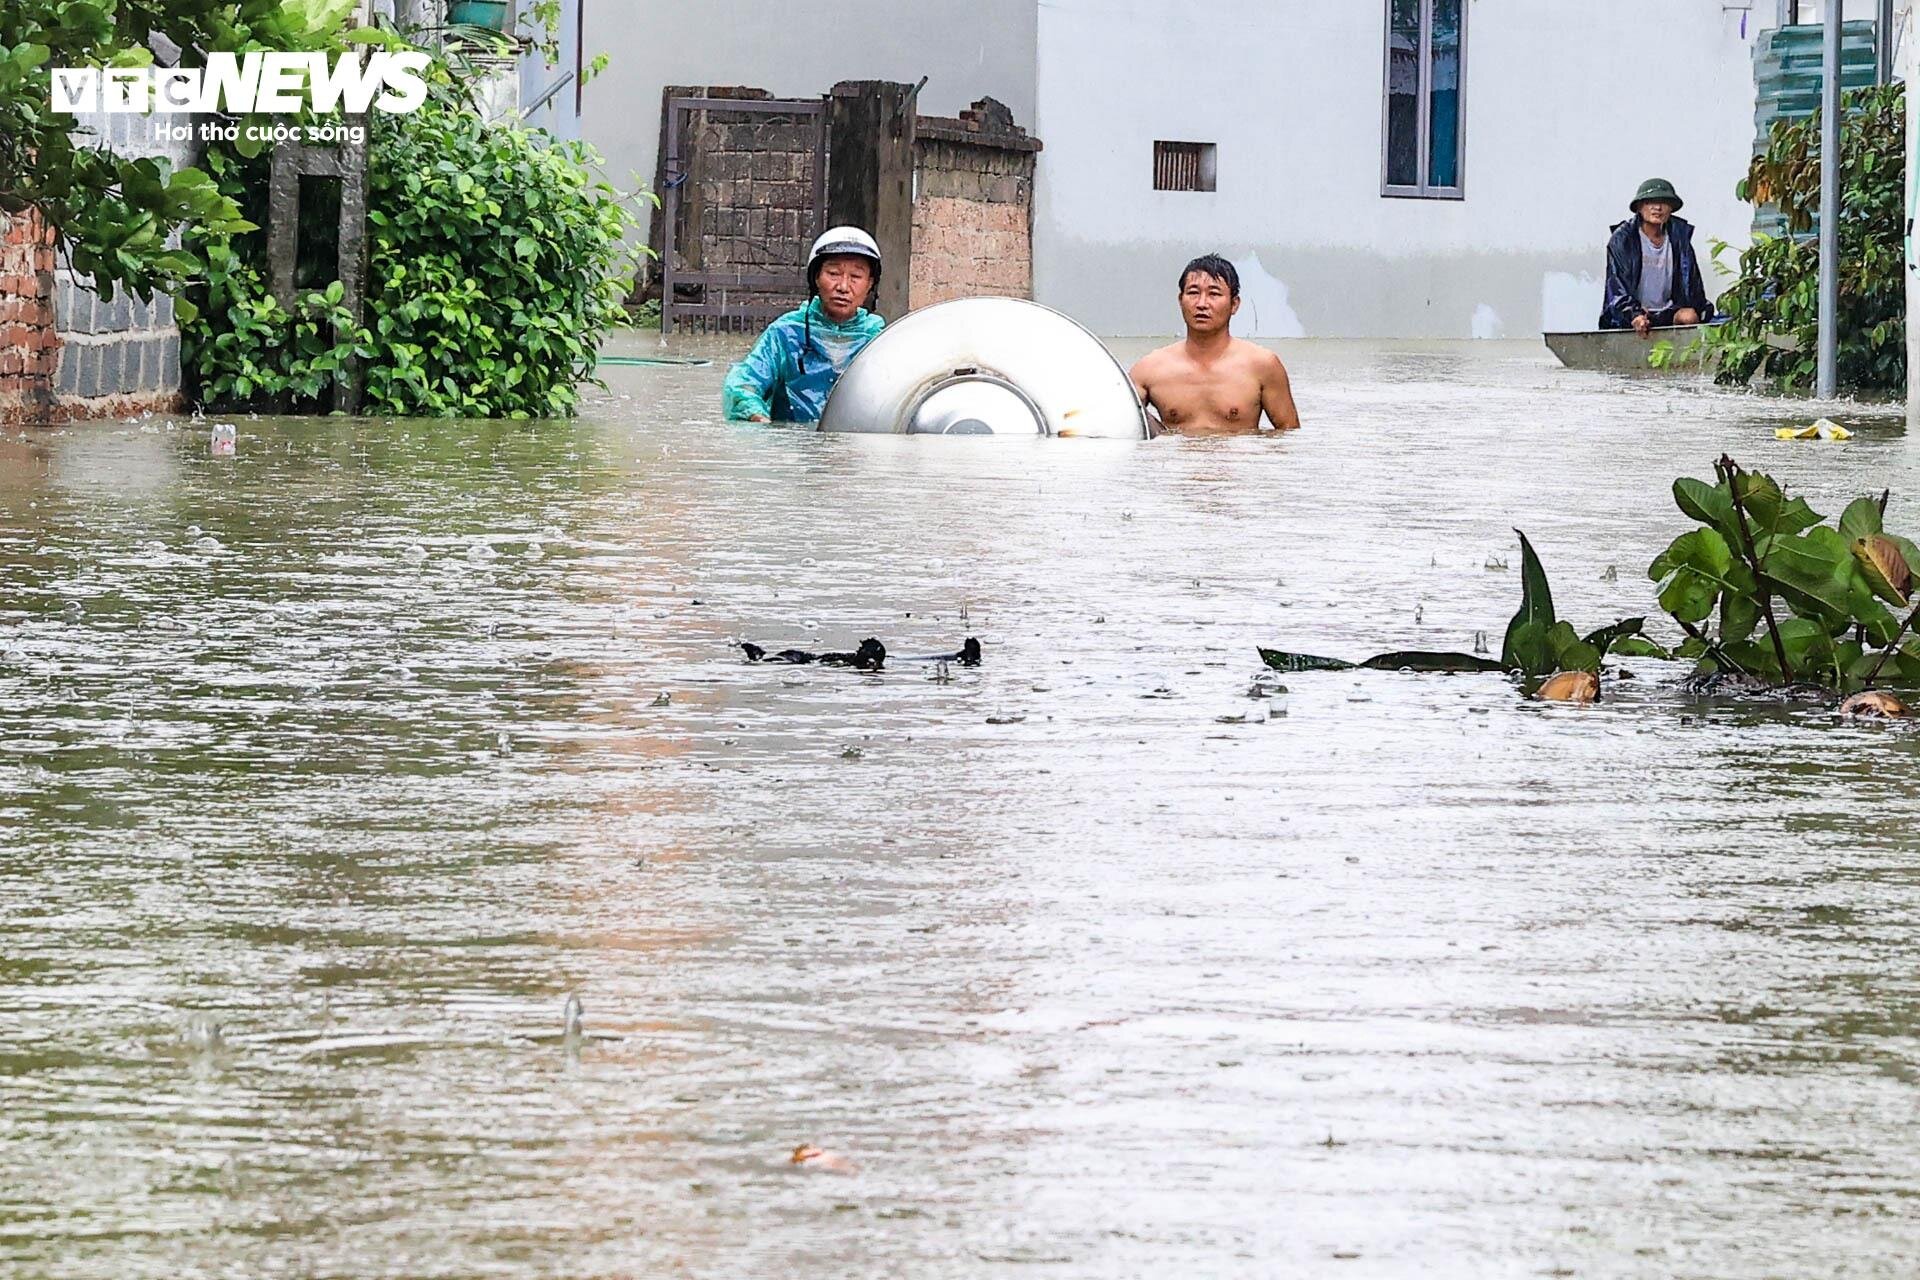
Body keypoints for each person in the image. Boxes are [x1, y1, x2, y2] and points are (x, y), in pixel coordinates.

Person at [722, 226, 887, 423]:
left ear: (869, 284)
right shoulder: (785, 333)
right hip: (793, 447)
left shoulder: (878, 340)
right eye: (833, 273)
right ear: (816, 277)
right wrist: (760, 420)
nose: (843, 287)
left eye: (856, 277)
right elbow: (742, 386)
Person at [1127, 254, 1300, 436]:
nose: (1202, 304)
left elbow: (1289, 439)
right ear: (1180, 300)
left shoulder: (1263, 365)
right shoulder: (1149, 369)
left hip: (1237, 464)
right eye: (1193, 293)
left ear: (1234, 304)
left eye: (1214, 294)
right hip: (1177, 464)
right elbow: (1118, 423)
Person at [1599, 178, 1714, 336]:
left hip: (1668, 311)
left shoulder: (1680, 238)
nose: (1657, 208)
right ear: (1639, 207)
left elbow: (1693, 285)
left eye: (1664, 202)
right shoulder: (1623, 240)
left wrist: (1701, 311)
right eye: (1650, 202)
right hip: (1634, 314)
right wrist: (1634, 313)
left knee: (1689, 317)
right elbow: (1617, 287)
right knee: (1637, 322)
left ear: (1671, 208)